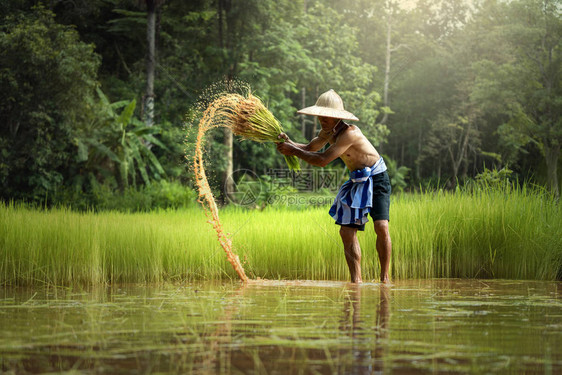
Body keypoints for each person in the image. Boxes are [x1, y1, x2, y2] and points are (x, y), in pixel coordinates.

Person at [276, 89, 392, 283]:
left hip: (377, 178)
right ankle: (356, 282)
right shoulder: (326, 132)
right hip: (357, 180)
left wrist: (292, 151)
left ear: (338, 117)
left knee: (381, 226)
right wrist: (288, 143)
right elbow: (310, 148)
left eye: (327, 116)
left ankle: (385, 279)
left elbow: (322, 159)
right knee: (346, 231)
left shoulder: (350, 133)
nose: (323, 119)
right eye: (320, 115)